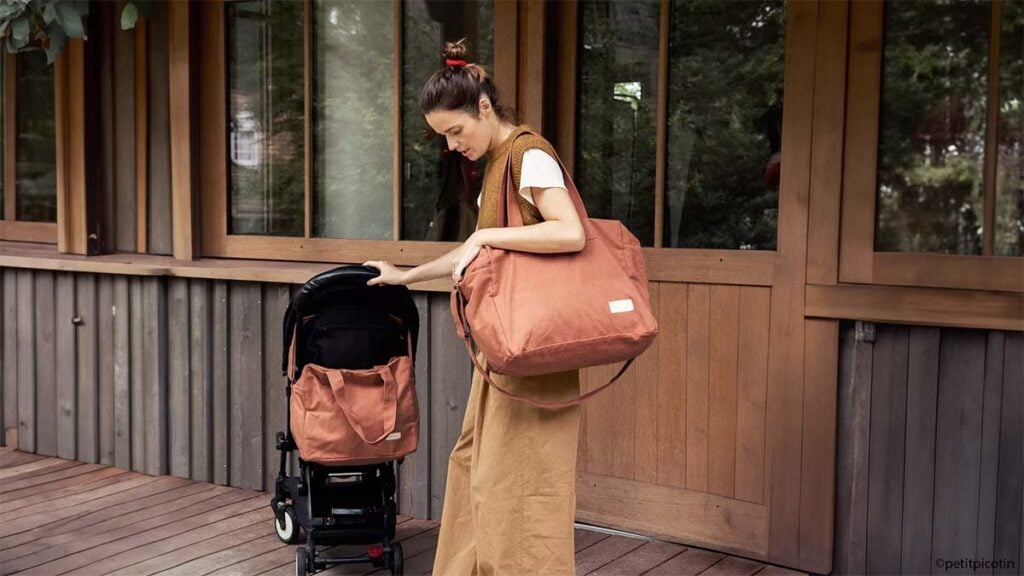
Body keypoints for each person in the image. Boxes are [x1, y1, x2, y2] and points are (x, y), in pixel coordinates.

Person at [363, 38, 586, 576]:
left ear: (484, 107)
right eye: (443, 137)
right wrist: (406, 277)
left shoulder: (528, 155)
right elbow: (478, 244)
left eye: (456, 131)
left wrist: (494, 241)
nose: (452, 145)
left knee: (523, 480)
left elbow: (571, 232)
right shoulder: (496, 165)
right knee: (479, 467)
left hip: (535, 347)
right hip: (506, 346)